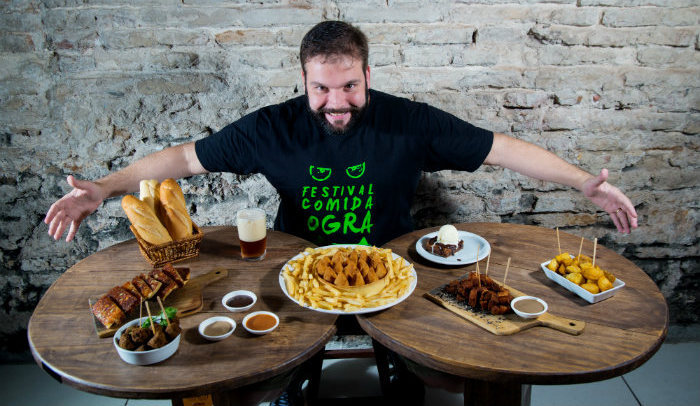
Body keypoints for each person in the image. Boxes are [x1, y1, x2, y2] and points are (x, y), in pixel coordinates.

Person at [44, 21, 638, 404]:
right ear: (303, 81)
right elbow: (181, 157)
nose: (336, 103)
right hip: (299, 274)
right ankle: (294, 378)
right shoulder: (270, 127)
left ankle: (398, 368)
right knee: (246, 377)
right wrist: (101, 187)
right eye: (321, 89)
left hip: (394, 272)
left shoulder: (408, 120)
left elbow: (500, 148)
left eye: (350, 86)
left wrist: (584, 181)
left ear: (368, 76)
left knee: (451, 374)